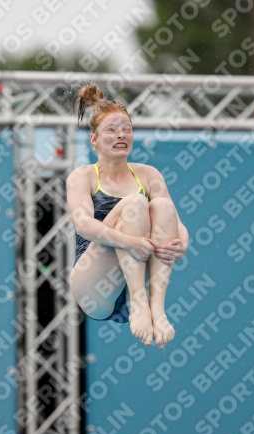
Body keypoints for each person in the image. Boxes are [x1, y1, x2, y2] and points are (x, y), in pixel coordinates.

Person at [67, 84, 189, 349]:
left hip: (136, 267)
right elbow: (84, 225)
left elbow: (177, 226)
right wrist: (126, 241)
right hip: (94, 285)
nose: (121, 134)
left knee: (163, 207)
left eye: (127, 129)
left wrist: (181, 246)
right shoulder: (83, 176)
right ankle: (137, 303)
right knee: (135, 202)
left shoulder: (148, 174)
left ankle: (156, 309)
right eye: (111, 130)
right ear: (94, 139)